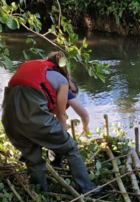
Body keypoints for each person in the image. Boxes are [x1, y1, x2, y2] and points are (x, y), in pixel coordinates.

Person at [2, 51, 97, 194]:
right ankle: (88, 189)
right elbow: (61, 114)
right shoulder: (61, 80)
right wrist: (63, 139)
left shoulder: (30, 67)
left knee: (33, 158)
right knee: (71, 149)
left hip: (9, 120)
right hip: (33, 119)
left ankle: (42, 195)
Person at [48, 76, 90, 168]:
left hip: (24, 119)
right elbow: (85, 115)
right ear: (72, 90)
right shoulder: (66, 91)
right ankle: (56, 167)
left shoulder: (50, 89)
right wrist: (85, 127)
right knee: (59, 138)